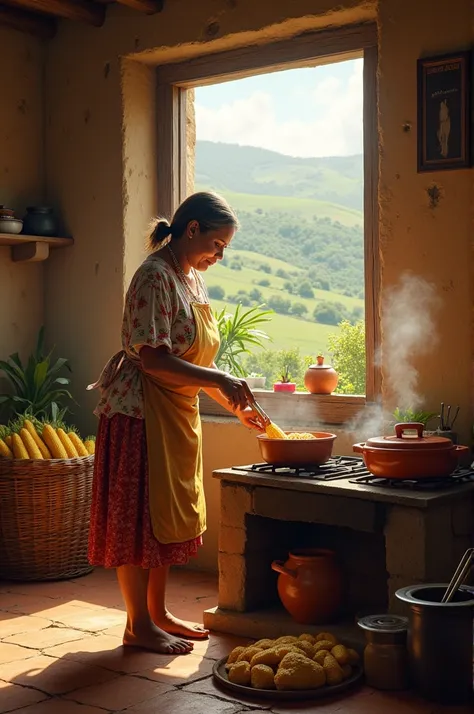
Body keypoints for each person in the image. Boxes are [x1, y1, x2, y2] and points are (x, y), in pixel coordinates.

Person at [87, 192, 264, 655]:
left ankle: (158, 613)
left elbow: (190, 362)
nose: (219, 256)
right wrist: (221, 378)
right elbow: (154, 359)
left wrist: (232, 401)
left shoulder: (190, 279)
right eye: (217, 245)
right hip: (140, 414)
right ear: (192, 230)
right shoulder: (154, 277)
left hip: (175, 413)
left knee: (164, 519)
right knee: (140, 519)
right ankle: (136, 624)